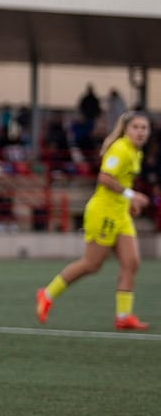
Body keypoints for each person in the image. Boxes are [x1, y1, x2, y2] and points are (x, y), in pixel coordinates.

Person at [36, 111, 152, 330]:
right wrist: (132, 195)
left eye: (144, 128)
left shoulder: (136, 153)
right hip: (103, 213)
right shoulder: (120, 148)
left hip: (120, 214)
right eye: (136, 127)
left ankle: (123, 316)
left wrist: (129, 203)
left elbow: (121, 182)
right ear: (126, 129)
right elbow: (105, 178)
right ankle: (47, 293)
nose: (140, 132)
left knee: (131, 262)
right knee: (92, 264)